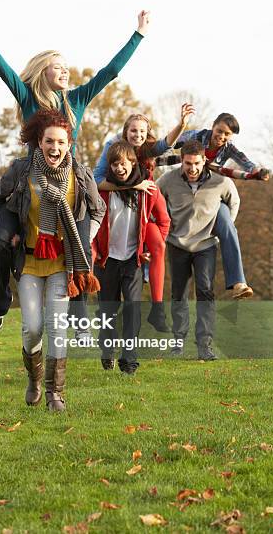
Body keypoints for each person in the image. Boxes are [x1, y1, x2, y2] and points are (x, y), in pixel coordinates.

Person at [0, 7, 150, 333]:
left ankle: (78, 319)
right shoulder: (27, 96)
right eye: (58, 67)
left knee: (79, 244)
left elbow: (110, 71)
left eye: (66, 67)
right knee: (0, 239)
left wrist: (139, 34)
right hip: (29, 182)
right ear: (43, 71)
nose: (65, 72)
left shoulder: (75, 100)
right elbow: (2, 69)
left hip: (68, 183)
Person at [0, 109, 106, 411]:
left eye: (61, 142)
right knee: (32, 327)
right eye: (49, 141)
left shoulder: (79, 174)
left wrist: (83, 240)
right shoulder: (22, 170)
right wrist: (5, 230)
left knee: (56, 326)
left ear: (69, 144)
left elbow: (98, 210)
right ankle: (34, 378)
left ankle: (56, 394)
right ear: (39, 142)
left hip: (61, 265)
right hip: (28, 262)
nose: (55, 148)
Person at [93, 104, 194, 331]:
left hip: (142, 212)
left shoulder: (148, 148)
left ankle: (157, 308)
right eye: (133, 131)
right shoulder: (113, 147)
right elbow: (96, 180)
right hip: (117, 207)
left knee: (158, 243)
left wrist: (182, 125)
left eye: (141, 131)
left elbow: (166, 143)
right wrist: (135, 185)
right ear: (125, 132)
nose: (137, 135)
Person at [160, 112, 270, 299]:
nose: (221, 136)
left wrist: (258, 172)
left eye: (227, 134)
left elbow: (246, 163)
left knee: (227, 222)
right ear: (213, 126)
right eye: (219, 131)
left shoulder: (229, 149)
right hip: (185, 189)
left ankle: (238, 282)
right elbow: (169, 143)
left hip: (211, 196)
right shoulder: (195, 137)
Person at [157, 139, 241, 360]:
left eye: (196, 163)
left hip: (206, 245)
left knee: (205, 291)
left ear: (204, 161)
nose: (192, 168)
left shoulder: (220, 182)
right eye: (187, 163)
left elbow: (234, 203)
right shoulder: (167, 180)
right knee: (179, 293)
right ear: (181, 162)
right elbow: (155, 201)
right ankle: (178, 342)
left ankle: (205, 345)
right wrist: (165, 228)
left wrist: (220, 229)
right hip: (177, 244)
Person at [94, 140, 170, 373]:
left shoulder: (149, 190)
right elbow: (93, 224)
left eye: (124, 163)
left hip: (132, 260)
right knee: (107, 310)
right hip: (106, 260)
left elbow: (164, 221)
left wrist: (152, 246)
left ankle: (130, 359)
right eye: (115, 164)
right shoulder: (102, 191)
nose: (119, 168)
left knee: (133, 309)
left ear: (133, 163)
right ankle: (107, 348)